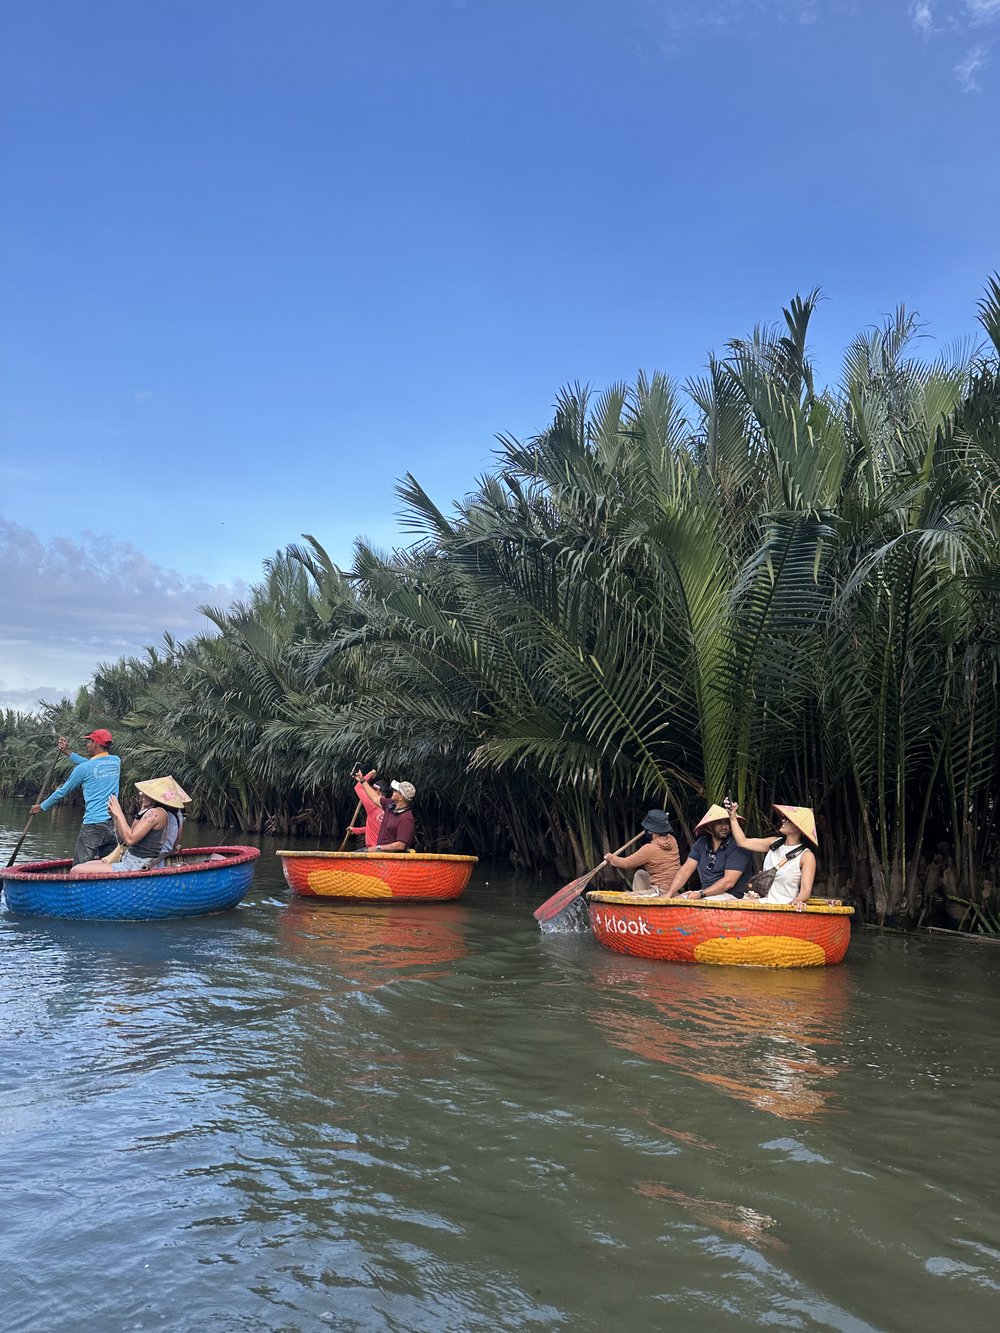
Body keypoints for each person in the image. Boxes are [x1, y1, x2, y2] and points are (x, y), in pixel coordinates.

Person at [31, 730, 122, 865]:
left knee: (80, 867)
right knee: (109, 866)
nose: (87, 745)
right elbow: (91, 764)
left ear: (96, 743)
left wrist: (42, 806)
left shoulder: (84, 769)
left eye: (89, 742)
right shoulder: (116, 762)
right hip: (113, 824)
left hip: (93, 825)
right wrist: (67, 751)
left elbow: (62, 792)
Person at [71, 776, 191, 876]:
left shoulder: (156, 813)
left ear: (155, 797)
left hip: (135, 864)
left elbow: (130, 839)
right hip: (134, 860)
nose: (141, 795)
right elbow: (126, 837)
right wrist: (116, 817)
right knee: (83, 866)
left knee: (76, 870)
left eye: (145, 793)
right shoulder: (173, 814)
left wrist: (120, 813)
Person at [726, 801, 817, 912]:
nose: (783, 820)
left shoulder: (806, 856)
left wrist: (798, 900)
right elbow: (743, 842)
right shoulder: (774, 842)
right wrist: (732, 817)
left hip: (784, 905)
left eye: (787, 819)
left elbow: (806, 890)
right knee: (728, 906)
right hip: (764, 900)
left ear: (798, 828)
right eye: (784, 818)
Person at [667, 802, 753, 901]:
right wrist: (669, 893)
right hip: (706, 894)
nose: (724, 826)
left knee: (691, 904)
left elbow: (729, 882)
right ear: (709, 826)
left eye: (727, 822)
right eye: (719, 823)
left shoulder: (738, 846)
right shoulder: (701, 843)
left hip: (732, 896)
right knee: (673, 902)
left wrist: (701, 894)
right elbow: (686, 870)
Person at [603, 809, 680, 895]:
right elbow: (663, 834)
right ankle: (643, 900)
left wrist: (611, 858)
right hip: (674, 886)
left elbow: (627, 863)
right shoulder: (673, 841)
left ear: (651, 831)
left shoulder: (649, 849)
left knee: (626, 896)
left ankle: (642, 900)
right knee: (640, 874)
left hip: (661, 891)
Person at [355, 776, 416, 852]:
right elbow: (375, 798)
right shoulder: (390, 805)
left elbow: (400, 845)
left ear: (401, 797)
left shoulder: (406, 818)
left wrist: (377, 848)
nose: (393, 791)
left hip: (390, 857)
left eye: (396, 791)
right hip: (380, 852)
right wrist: (362, 780)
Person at [349, 767, 385, 849]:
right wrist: (355, 830)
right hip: (385, 850)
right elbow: (372, 828)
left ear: (377, 791)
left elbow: (358, 787)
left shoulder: (372, 805)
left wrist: (369, 775)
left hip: (373, 849)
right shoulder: (391, 807)